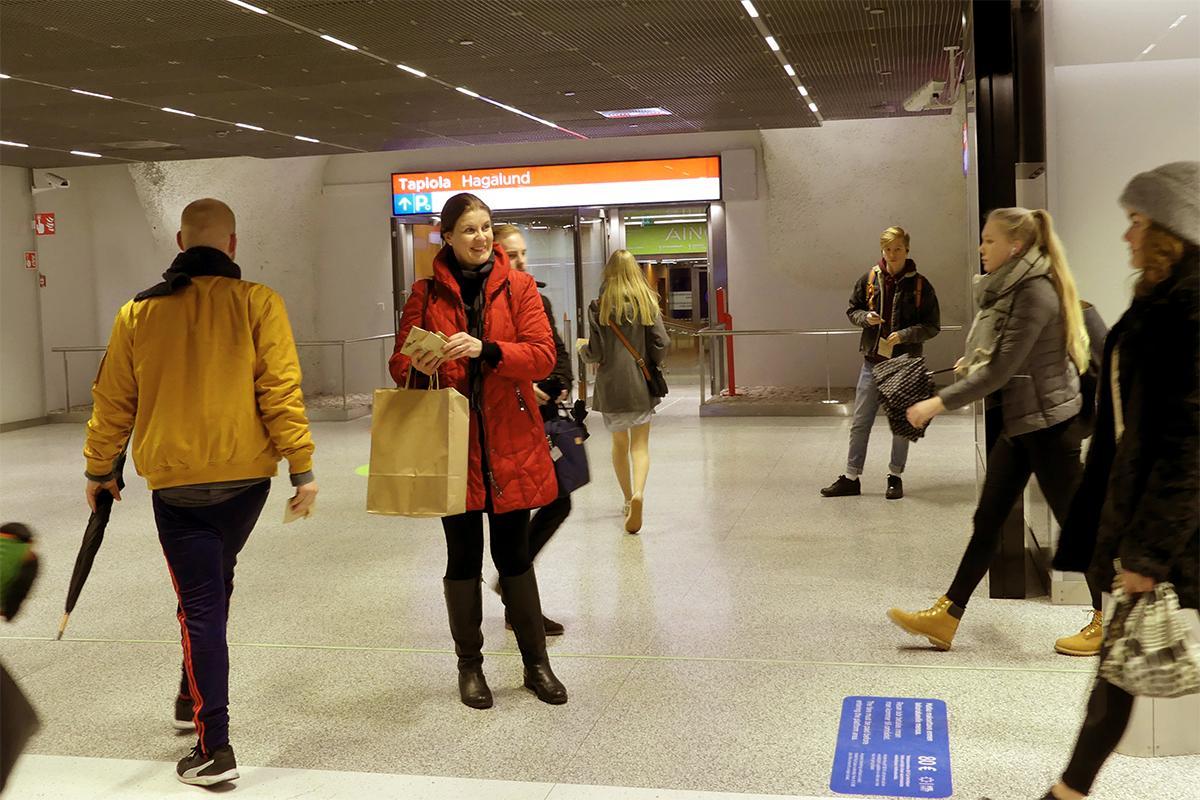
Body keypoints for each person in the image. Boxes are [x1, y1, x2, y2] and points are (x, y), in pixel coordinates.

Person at [84, 199, 317, 786]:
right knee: (215, 584)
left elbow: (113, 401)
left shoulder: (138, 313)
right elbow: (280, 389)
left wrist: (99, 468)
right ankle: (192, 695)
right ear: (232, 245)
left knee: (201, 606)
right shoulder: (259, 302)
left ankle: (216, 746)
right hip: (247, 483)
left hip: (178, 486)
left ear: (182, 242)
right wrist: (302, 467)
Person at [1038, 162, 1199, 800]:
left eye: (1136, 223)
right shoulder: (1159, 300)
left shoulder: (1188, 309)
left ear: (1170, 230)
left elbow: (1188, 445)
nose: (1126, 237)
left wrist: (1148, 551)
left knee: (1123, 667)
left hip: (1171, 525)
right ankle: (1069, 791)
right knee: (1122, 666)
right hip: (1147, 518)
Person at [389, 194, 567, 710]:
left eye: (486, 227)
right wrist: (427, 358)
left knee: (513, 555)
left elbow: (542, 356)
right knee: (462, 556)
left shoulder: (520, 288)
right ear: (446, 236)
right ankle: (470, 667)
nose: (481, 237)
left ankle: (536, 664)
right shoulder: (424, 295)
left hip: (511, 442)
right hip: (453, 445)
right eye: (468, 229)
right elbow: (400, 366)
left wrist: (486, 349)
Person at [887, 207, 1090, 650]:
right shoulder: (1010, 290)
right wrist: (971, 363)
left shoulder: (1034, 292)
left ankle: (1112, 621)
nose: (981, 248)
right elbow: (1001, 358)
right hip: (1022, 423)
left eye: (989, 240)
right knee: (987, 521)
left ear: (1015, 245)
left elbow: (1000, 371)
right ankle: (948, 615)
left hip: (1050, 426)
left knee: (1077, 525)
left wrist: (936, 403)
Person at [821, 226, 941, 500]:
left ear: (907, 250)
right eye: (887, 249)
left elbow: (933, 326)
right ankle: (851, 477)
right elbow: (853, 309)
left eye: (897, 249)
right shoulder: (869, 278)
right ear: (882, 251)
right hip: (873, 362)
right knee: (860, 421)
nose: (892, 254)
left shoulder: (921, 284)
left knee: (901, 423)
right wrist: (866, 317)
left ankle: (895, 476)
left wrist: (906, 335)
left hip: (905, 363)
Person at [494, 224, 572, 636]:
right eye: (512, 254)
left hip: (543, 423)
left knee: (558, 501)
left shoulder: (535, 299)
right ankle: (517, 599)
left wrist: (553, 384)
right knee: (533, 509)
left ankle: (512, 588)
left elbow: (557, 356)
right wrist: (527, 383)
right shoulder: (490, 308)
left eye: (523, 253)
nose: (521, 261)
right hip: (511, 428)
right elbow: (493, 365)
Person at [579, 249, 668, 534]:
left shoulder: (599, 306)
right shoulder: (647, 302)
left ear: (609, 273)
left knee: (619, 445)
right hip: (640, 383)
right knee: (640, 446)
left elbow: (596, 352)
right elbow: (661, 342)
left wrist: (582, 348)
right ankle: (640, 492)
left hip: (612, 387)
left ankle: (628, 500)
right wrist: (651, 362)